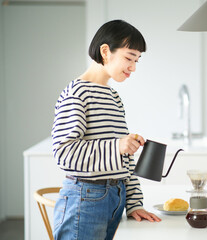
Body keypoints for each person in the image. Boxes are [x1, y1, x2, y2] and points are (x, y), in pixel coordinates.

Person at [51, 19, 161, 240]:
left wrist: (133, 204)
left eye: (137, 60)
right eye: (129, 58)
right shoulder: (77, 93)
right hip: (85, 199)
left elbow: (124, 160)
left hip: (114, 198)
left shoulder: (113, 97)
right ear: (105, 51)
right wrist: (117, 145)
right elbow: (64, 153)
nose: (133, 67)